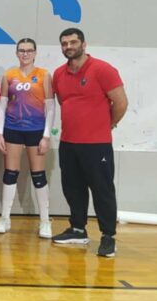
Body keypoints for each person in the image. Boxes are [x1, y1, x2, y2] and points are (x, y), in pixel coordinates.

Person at [51, 28, 128, 258]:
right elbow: (64, 102)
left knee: (102, 190)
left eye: (73, 42)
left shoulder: (103, 70)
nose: (68, 47)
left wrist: (108, 125)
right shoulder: (59, 74)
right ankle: (78, 229)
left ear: (84, 45)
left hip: (97, 144)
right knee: (73, 188)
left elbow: (121, 103)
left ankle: (108, 236)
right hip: (68, 142)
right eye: (64, 43)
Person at [0, 38, 54, 237]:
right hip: (12, 128)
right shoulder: (9, 75)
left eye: (29, 50)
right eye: (21, 50)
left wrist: (46, 136)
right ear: (17, 53)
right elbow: (2, 105)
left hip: (36, 130)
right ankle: (5, 218)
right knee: (10, 173)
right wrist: (0, 132)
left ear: (35, 53)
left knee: (38, 175)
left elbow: (50, 107)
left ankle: (45, 221)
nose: (25, 54)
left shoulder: (44, 75)